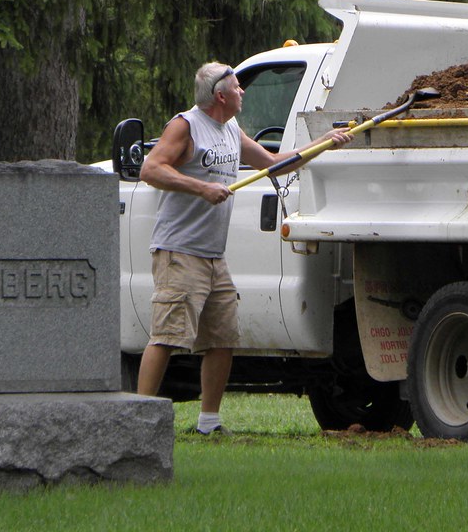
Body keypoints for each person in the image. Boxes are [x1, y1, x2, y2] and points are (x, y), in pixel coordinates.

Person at [136, 61, 352, 434]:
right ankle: (137, 420)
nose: (243, 92)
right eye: (237, 87)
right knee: (168, 336)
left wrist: (324, 143)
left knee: (222, 339)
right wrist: (202, 188)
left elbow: (272, 164)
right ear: (220, 96)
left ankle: (209, 423)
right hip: (179, 251)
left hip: (212, 256)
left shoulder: (231, 129)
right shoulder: (186, 126)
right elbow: (151, 169)